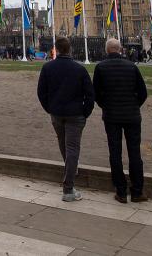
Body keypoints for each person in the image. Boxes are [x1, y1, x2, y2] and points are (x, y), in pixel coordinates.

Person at [37, 36, 94, 202]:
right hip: (75, 114)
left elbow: (41, 92)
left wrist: (50, 108)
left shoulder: (48, 68)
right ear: (69, 50)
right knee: (72, 148)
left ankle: (71, 168)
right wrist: (85, 112)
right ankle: (68, 189)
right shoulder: (79, 69)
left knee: (64, 144)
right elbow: (90, 95)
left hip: (57, 114)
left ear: (56, 49)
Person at [93, 38, 149, 203]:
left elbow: (96, 93)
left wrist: (106, 106)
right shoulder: (131, 66)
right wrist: (133, 105)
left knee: (115, 153)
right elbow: (143, 92)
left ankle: (121, 191)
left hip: (111, 116)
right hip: (132, 115)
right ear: (120, 49)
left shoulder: (101, 67)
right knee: (135, 153)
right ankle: (137, 191)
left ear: (107, 50)